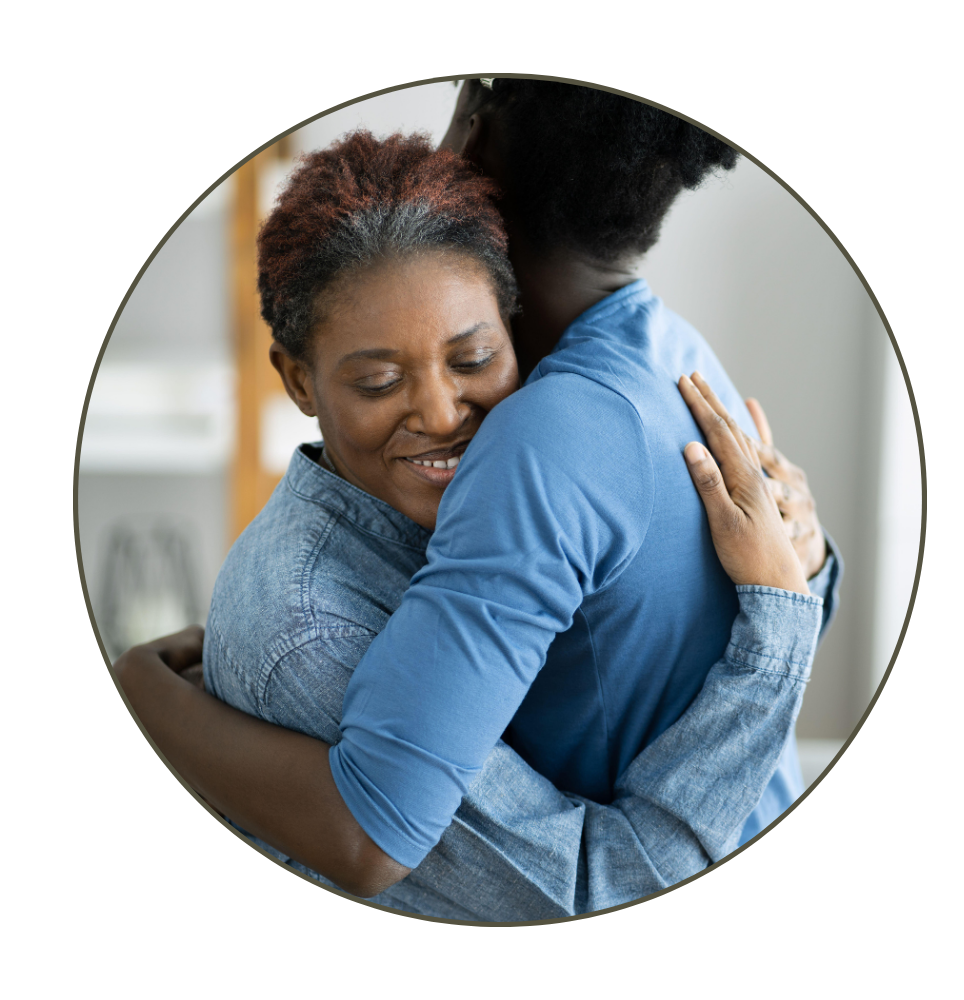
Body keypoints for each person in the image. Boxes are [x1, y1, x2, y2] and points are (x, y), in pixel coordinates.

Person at [116, 119, 839, 919]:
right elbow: (593, 887)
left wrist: (802, 563)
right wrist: (782, 626)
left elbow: (672, 647)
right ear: (297, 381)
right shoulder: (312, 638)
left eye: (471, 360)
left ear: (515, 322)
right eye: (379, 379)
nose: (440, 411)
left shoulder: (601, 400)